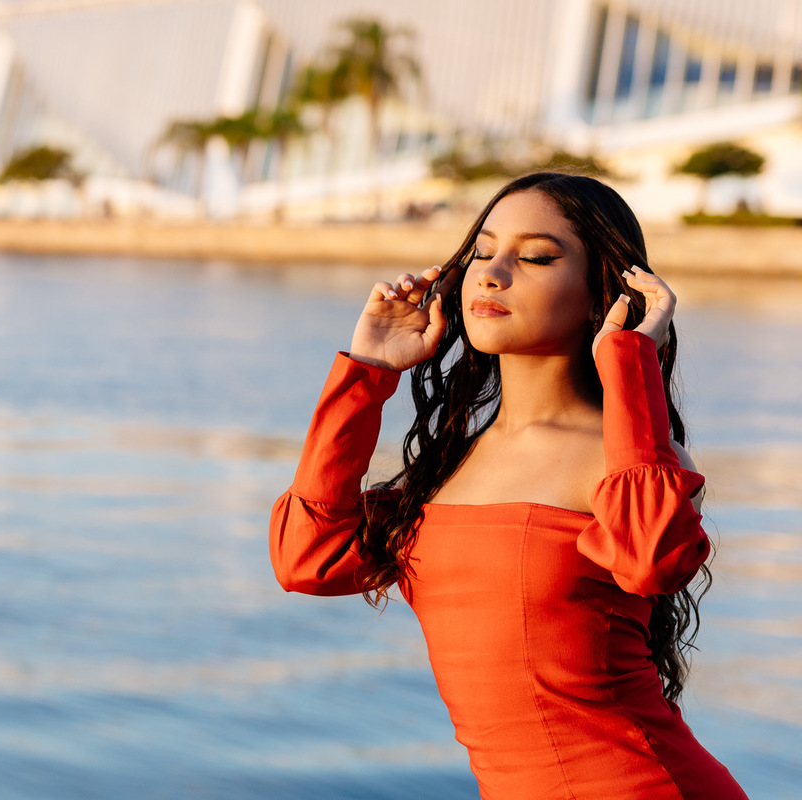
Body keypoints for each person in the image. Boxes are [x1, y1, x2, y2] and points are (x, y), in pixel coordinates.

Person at [269, 172, 747, 798]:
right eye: (482, 252)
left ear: (603, 294)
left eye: (536, 257)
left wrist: (630, 363)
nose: (492, 274)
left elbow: (653, 561)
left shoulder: (631, 457)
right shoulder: (448, 467)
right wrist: (367, 373)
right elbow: (307, 559)